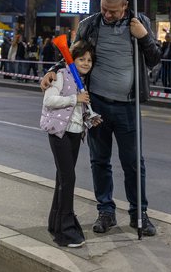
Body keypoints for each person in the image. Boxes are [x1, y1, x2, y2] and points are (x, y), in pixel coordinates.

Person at [40, 0, 161, 236]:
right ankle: (106, 211)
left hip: (128, 105)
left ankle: (139, 213)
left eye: (114, 12)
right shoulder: (89, 25)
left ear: (125, 7)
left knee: (133, 163)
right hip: (96, 105)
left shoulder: (140, 23)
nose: (108, 15)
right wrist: (52, 70)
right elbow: (73, 57)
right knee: (99, 161)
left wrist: (144, 37)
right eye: (104, 9)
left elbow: (155, 59)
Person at [40, 40, 101, 248]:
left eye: (89, 60)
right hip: (60, 132)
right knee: (68, 178)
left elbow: (78, 110)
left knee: (62, 178)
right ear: (72, 59)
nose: (86, 63)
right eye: (81, 59)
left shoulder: (83, 79)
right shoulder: (60, 75)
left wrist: (89, 117)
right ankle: (66, 231)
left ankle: (55, 224)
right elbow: (49, 100)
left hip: (76, 132)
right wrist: (75, 98)